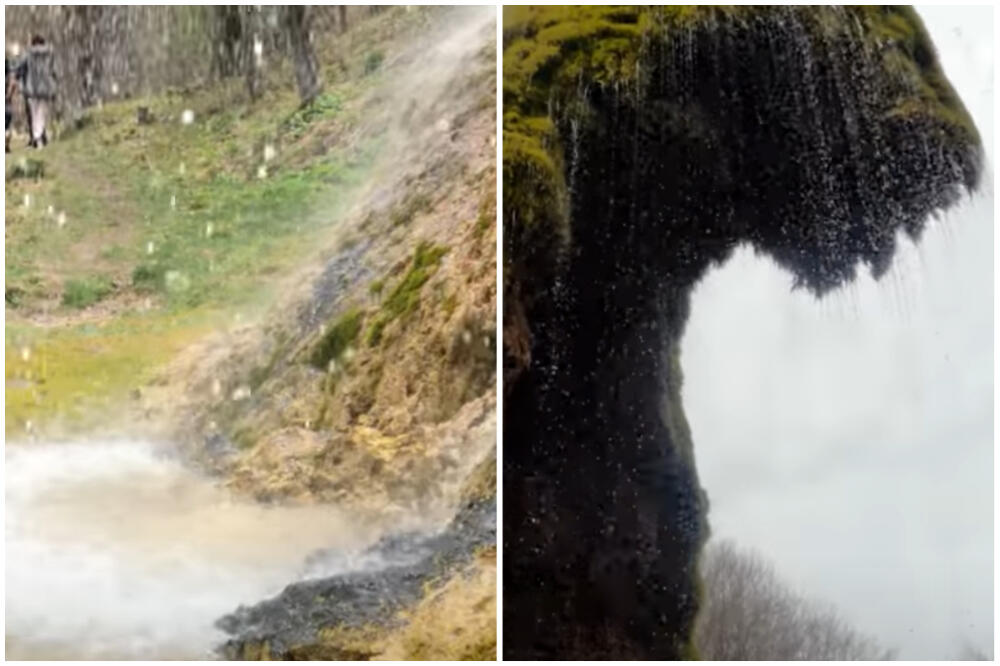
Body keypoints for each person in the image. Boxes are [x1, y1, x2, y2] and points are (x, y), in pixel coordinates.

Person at [19, 35, 57, 148]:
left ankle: (36, 137)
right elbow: (53, 70)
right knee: (41, 113)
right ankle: (39, 136)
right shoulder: (49, 54)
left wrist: (22, 85)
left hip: (32, 87)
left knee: (34, 113)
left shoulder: (28, 54)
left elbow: (21, 67)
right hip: (45, 87)